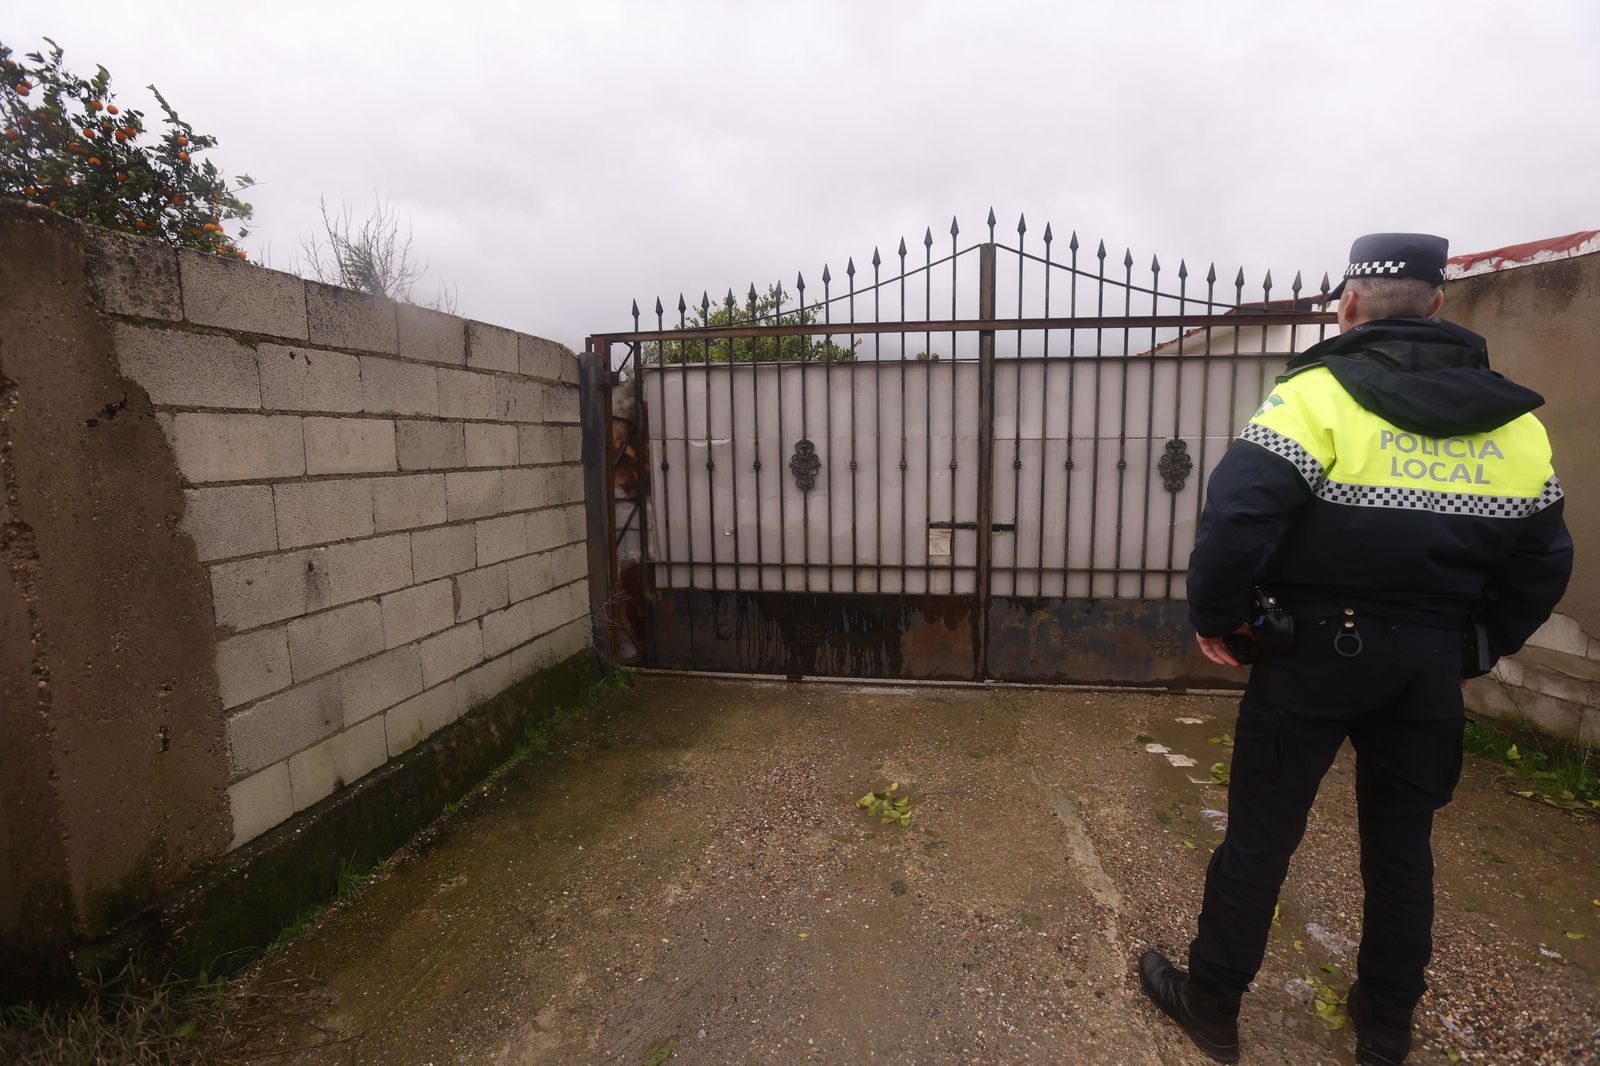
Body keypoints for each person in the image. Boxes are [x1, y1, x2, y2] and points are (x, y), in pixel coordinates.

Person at [1137, 233, 1574, 1065]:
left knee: (1262, 835)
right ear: (1439, 304)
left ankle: (1214, 1004)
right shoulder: (1514, 424)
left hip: (1311, 654)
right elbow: (1545, 560)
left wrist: (1220, 619)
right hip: (1428, 666)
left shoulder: (1316, 395)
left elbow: (1236, 519)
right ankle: (1383, 1026)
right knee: (1403, 849)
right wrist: (1475, 644)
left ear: (1348, 306)